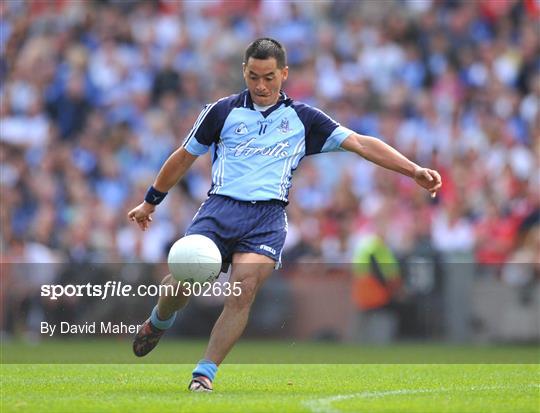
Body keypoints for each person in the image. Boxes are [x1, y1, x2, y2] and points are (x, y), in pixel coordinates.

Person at [127, 38, 442, 392]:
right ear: (243, 72)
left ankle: (204, 374)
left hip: (267, 217)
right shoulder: (221, 111)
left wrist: (413, 169)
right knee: (184, 283)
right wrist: (151, 201)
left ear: (284, 74)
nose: (261, 86)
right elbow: (184, 156)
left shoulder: (303, 119)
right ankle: (160, 319)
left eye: (269, 77)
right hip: (219, 210)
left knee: (242, 290)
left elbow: (361, 142)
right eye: (253, 76)